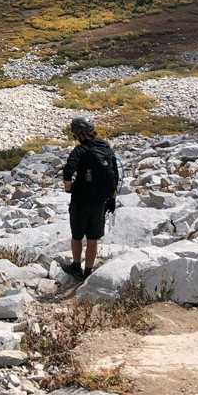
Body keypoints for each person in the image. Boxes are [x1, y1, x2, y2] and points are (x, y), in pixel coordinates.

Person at [60, 117, 119, 281]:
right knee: (93, 239)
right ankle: (88, 271)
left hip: (80, 200)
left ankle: (76, 266)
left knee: (77, 236)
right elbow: (115, 173)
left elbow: (67, 171)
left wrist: (68, 187)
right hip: (100, 201)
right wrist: (112, 198)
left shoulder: (80, 150)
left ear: (78, 134)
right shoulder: (105, 147)